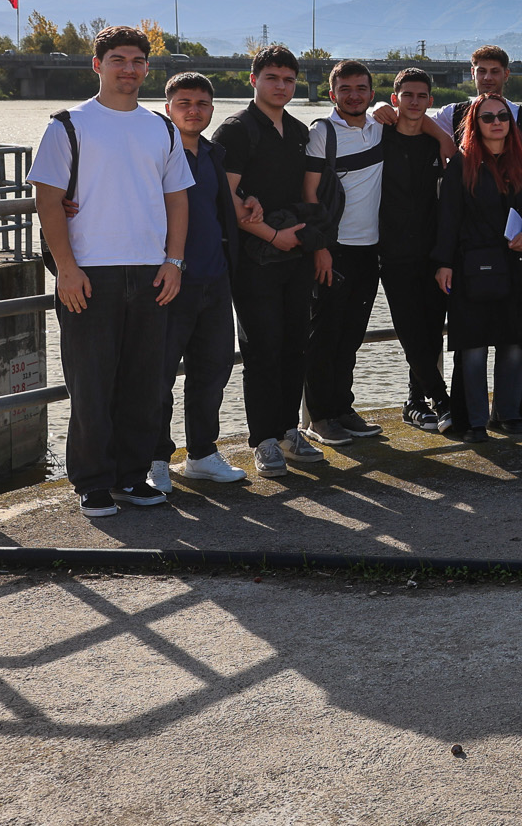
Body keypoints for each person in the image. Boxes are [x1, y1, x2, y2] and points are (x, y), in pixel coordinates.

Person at [32, 27, 193, 517]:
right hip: (89, 273)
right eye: (118, 59)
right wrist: (66, 269)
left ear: (148, 68)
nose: (129, 68)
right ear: (96, 64)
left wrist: (174, 261)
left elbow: (177, 199)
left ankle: (130, 476)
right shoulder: (68, 125)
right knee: (91, 384)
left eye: (138, 60)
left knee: (143, 383)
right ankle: (93, 483)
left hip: (150, 271)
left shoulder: (161, 128)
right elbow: (48, 199)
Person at [215, 45, 329, 476]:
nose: (281, 86)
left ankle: (287, 431)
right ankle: (263, 439)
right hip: (254, 258)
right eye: (272, 78)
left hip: (294, 253)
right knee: (262, 348)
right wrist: (271, 235)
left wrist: (309, 243)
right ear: (254, 80)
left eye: (288, 79)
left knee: (294, 343)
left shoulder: (299, 131)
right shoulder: (237, 131)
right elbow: (227, 197)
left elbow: (307, 195)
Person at [151, 72, 244, 488]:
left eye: (203, 104)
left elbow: (218, 206)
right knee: (159, 375)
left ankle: (202, 453)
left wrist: (248, 202)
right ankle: (153, 459)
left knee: (213, 371)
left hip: (215, 278)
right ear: (168, 107)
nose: (194, 110)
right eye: (185, 103)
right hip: (168, 281)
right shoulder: (155, 152)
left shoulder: (212, 153)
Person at [434, 95, 522, 441]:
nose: (496, 122)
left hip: (515, 265)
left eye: (502, 116)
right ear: (475, 124)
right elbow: (447, 219)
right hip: (471, 267)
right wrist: (443, 263)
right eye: (487, 117)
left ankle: (510, 415)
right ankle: (475, 421)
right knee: (473, 347)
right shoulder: (461, 164)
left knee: (513, 344)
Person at [299, 60, 388, 448]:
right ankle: (319, 417)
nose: (354, 95)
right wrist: (319, 248)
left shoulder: (381, 126)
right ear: (332, 93)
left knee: (350, 335)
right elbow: (309, 195)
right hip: (334, 249)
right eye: (346, 89)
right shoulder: (323, 133)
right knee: (324, 335)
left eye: (361, 88)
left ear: (371, 92)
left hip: (370, 250)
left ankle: (342, 407)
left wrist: (394, 109)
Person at [379, 68, 456, 432]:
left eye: (420, 96)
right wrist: (376, 108)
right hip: (392, 252)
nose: (413, 102)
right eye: (406, 95)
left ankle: (414, 401)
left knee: (429, 329)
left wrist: (439, 134)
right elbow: (359, 117)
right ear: (395, 99)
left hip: (433, 251)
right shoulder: (377, 137)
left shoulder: (436, 145)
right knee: (409, 327)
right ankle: (441, 400)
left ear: (430, 101)